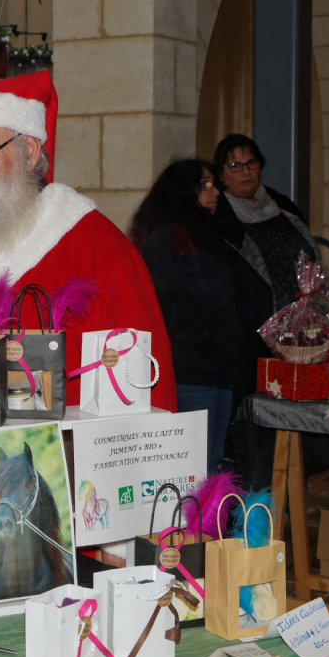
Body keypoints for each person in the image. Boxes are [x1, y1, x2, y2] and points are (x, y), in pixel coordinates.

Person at [0, 71, 177, 625]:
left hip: (56, 534)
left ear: (31, 152)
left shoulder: (96, 250)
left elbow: (143, 403)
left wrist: (121, 536)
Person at [129, 159, 241, 471]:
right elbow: (166, 307)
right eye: (206, 184)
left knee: (213, 462)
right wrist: (208, 337)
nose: (216, 191)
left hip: (219, 369)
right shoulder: (163, 240)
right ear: (182, 191)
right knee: (193, 466)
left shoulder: (207, 237)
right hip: (189, 371)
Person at [213, 134, 319, 415]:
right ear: (221, 175)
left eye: (252, 163)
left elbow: (313, 263)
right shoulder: (217, 218)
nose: (245, 171)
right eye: (235, 165)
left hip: (299, 334)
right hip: (248, 339)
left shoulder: (284, 208)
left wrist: (318, 307)